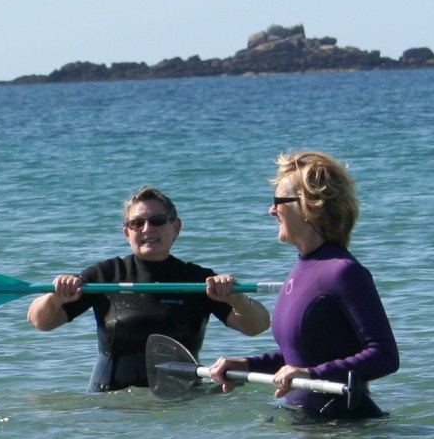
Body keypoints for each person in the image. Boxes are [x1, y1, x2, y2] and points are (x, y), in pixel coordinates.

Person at [208, 152, 398, 420]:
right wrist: (247, 365)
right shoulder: (299, 272)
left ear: (308, 205)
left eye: (278, 201)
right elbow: (301, 356)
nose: (271, 209)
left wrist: (312, 375)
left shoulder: (343, 271)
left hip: (346, 431)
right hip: (306, 425)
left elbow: (385, 355)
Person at [27, 185, 271, 391]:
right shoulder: (104, 276)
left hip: (181, 401)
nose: (147, 229)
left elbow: (258, 326)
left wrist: (236, 298)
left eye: (157, 221)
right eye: (137, 223)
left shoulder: (198, 279)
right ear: (127, 232)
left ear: (175, 227)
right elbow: (41, 321)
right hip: (112, 402)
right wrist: (55, 297)